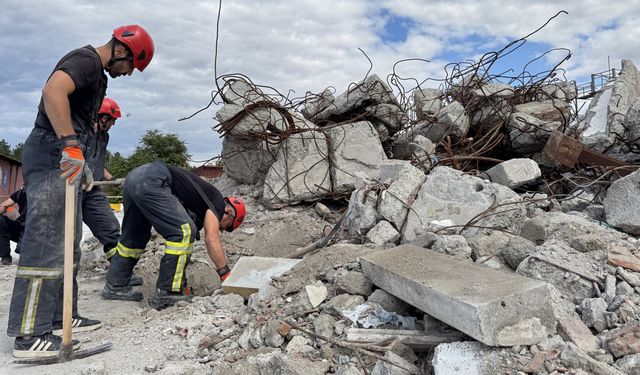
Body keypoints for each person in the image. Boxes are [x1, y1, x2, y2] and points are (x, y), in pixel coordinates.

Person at [8, 25, 155, 359]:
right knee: (45, 244)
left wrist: (83, 160)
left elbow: (76, 116)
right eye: (132, 65)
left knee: (66, 245)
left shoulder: (98, 75)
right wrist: (70, 145)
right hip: (49, 153)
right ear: (122, 50)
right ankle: (29, 334)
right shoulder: (86, 60)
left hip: (61, 156)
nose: (129, 73)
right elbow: (53, 91)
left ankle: (61, 316)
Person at [101, 161, 245, 310]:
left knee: (135, 235)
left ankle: (116, 284)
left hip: (135, 178)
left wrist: (182, 283)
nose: (222, 230)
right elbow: (211, 238)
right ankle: (167, 292)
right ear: (229, 211)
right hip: (154, 179)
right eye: (227, 227)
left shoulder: (199, 201)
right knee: (184, 231)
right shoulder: (217, 203)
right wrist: (225, 273)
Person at [84, 97, 142, 286]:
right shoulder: (82, 132)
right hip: (73, 190)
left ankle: (119, 274)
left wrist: (113, 180)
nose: (114, 124)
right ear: (103, 117)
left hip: (93, 191)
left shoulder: (103, 136)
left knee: (110, 229)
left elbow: (97, 162)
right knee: (67, 235)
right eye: (112, 120)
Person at [0, 187, 27, 265]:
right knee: (1, 220)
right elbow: (2, 206)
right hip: (21, 227)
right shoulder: (22, 192)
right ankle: (5, 256)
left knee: (23, 252)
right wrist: (8, 208)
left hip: (36, 231)